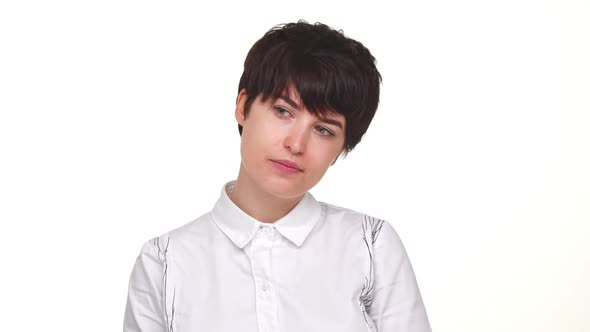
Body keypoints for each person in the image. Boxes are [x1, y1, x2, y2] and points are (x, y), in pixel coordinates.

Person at [123, 20, 431, 332]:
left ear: (341, 148)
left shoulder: (370, 245)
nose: (296, 144)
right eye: (283, 111)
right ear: (243, 107)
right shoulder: (164, 261)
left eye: (323, 130)